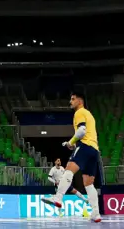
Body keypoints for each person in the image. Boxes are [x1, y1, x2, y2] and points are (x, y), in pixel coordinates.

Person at [44, 90, 102, 223]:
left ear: (80, 101)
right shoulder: (90, 115)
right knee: (88, 184)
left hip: (85, 146)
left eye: (73, 99)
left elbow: (81, 131)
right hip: (94, 150)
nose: (70, 101)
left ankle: (58, 198)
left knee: (68, 170)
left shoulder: (79, 112)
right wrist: (73, 144)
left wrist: (71, 142)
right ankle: (96, 213)